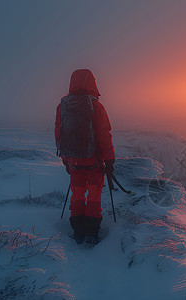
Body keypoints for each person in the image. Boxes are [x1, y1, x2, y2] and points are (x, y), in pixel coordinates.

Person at [55, 69, 115, 245]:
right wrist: (109, 160)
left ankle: (78, 230)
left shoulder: (62, 106)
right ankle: (91, 232)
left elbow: (59, 133)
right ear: (93, 84)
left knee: (77, 194)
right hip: (94, 161)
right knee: (94, 195)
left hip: (73, 161)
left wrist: (65, 158)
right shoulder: (96, 106)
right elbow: (104, 135)